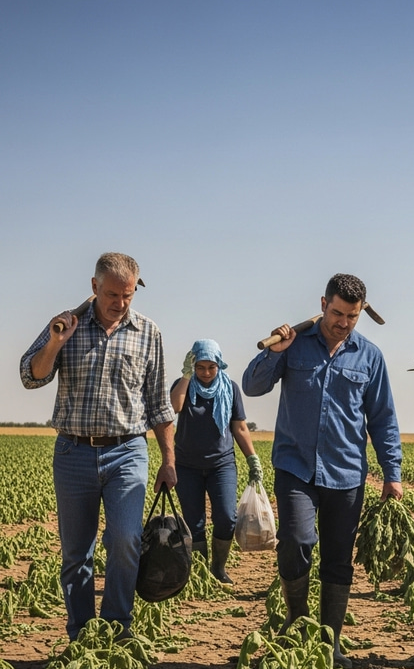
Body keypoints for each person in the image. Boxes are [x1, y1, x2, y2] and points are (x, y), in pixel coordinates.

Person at [242, 273, 402, 669]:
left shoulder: (369, 357)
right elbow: (252, 386)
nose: (342, 322)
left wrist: (392, 472)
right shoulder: (296, 346)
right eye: (336, 313)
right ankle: (297, 626)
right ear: (322, 303)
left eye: (352, 316)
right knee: (296, 541)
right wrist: (276, 350)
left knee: (337, 559)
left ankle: (330, 644)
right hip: (295, 466)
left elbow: (383, 419)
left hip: (347, 473)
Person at [20, 253, 176, 641]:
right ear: (94, 287)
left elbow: (159, 403)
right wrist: (56, 343)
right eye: (111, 294)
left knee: (125, 540)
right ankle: (81, 633)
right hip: (74, 452)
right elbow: (30, 376)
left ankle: (116, 627)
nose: (119, 303)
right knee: (77, 553)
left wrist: (169, 459)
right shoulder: (65, 324)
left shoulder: (148, 333)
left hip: (127, 451)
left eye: (127, 296)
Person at [170, 339, 263, 584]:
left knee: (226, 517)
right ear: (193, 365)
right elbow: (175, 406)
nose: (206, 373)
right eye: (200, 367)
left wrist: (252, 459)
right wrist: (186, 376)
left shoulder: (229, 388)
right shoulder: (183, 385)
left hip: (221, 464)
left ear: (219, 364)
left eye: (211, 367)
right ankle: (199, 574)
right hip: (186, 465)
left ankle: (218, 568)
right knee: (194, 521)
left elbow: (239, 427)